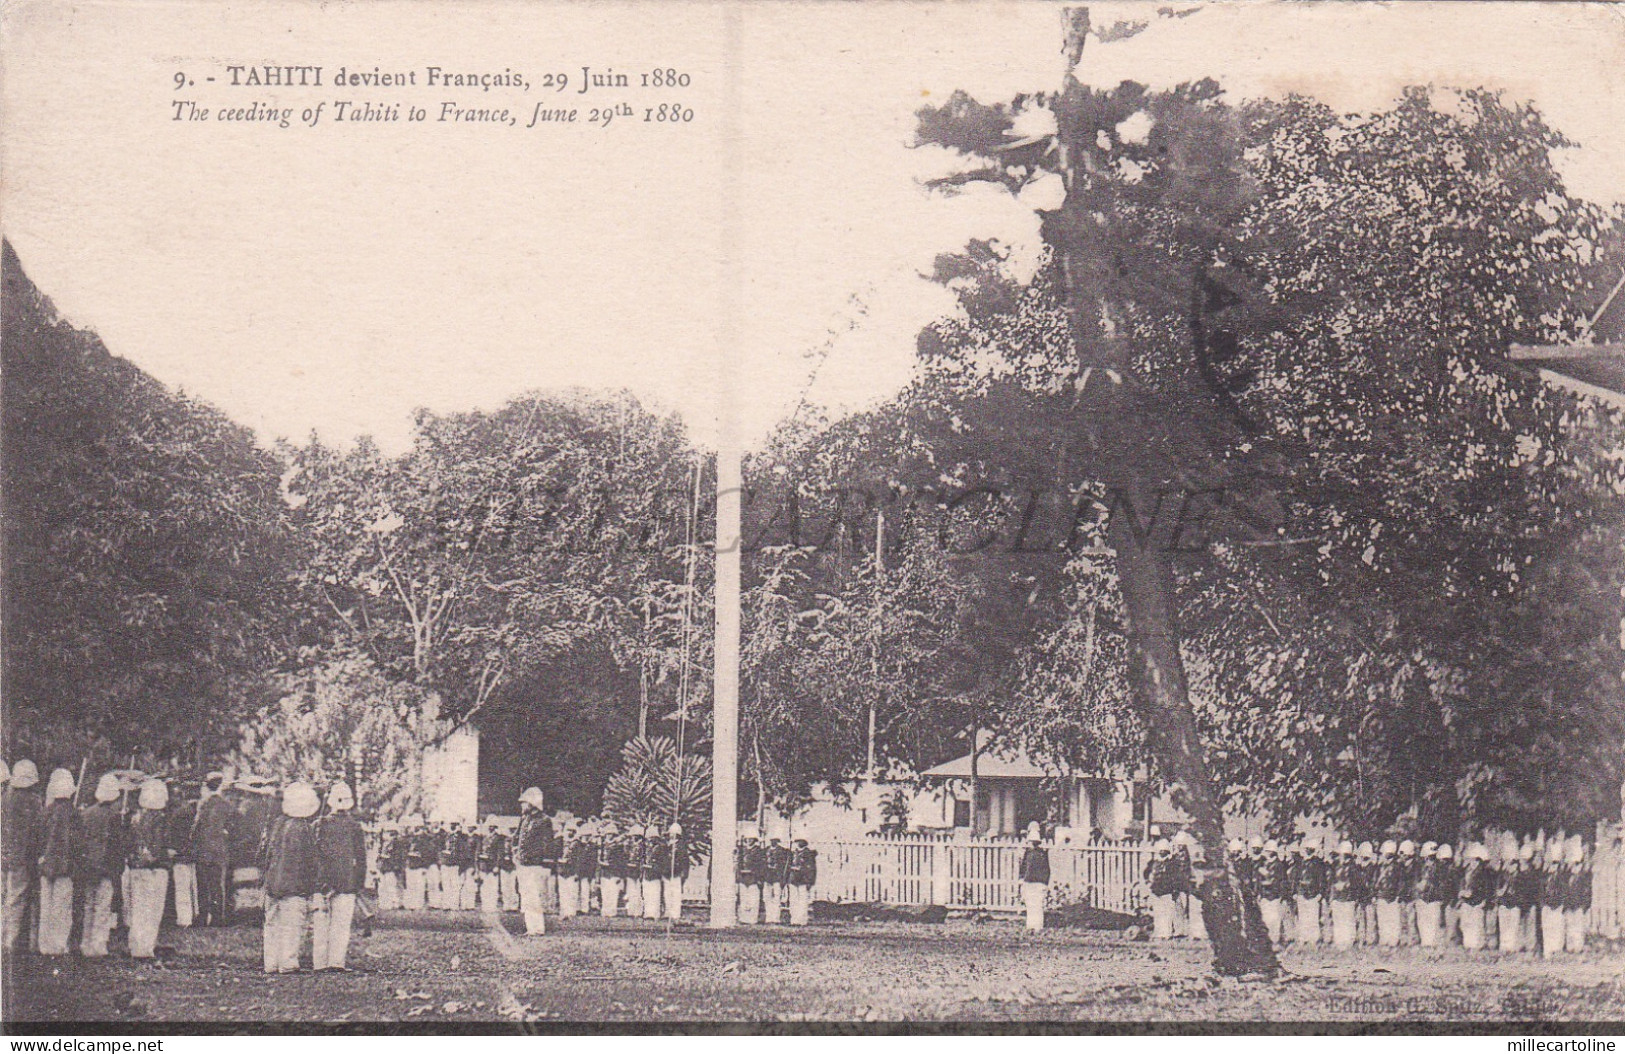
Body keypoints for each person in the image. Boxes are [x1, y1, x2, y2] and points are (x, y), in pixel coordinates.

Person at [263, 782, 319, 973]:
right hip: (294, 884)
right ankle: (288, 961)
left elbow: (268, 852)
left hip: (273, 881)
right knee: (292, 925)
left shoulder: (278, 824)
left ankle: (271, 962)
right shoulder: (304, 829)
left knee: (272, 924)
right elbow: (309, 860)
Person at [312, 782, 365, 972]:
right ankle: (336, 962)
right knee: (341, 926)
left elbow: (313, 855)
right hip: (346, 882)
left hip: (321, 882)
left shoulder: (319, 825)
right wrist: (358, 883)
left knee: (321, 924)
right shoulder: (355, 827)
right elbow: (361, 859)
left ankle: (320, 962)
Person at [77, 773, 124, 958]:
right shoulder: (114, 817)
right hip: (106, 866)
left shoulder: (86, 814)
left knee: (89, 905)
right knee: (102, 906)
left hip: (89, 865)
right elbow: (116, 845)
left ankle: (86, 942)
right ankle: (98, 944)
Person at [125, 778, 173, 961]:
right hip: (155, 868)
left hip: (137, 867)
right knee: (153, 910)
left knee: (138, 908)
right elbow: (161, 845)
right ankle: (146, 947)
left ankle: (136, 945)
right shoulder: (160, 820)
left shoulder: (135, 818)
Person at [36, 768, 79, 956]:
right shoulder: (73, 814)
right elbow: (77, 843)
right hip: (64, 866)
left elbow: (38, 839)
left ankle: (44, 945)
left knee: (46, 906)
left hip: (45, 865)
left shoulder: (46, 812)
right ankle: (59, 945)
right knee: (61, 907)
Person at [3, 760, 42, 953]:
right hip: (23, 858)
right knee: (18, 899)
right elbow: (34, 831)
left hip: (5, 855)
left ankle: (5, 938)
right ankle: (11, 940)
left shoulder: (5, 799)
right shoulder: (32, 801)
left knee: (6, 897)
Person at [191, 773, 234, 927]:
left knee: (203, 885)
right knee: (217, 885)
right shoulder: (226, 805)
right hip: (219, 850)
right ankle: (217, 918)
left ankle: (203, 917)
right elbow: (233, 827)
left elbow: (195, 828)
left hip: (203, 849)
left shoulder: (203, 804)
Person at [512, 788, 551, 935]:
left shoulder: (544, 820)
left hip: (534, 864)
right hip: (523, 863)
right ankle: (530, 927)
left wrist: (533, 856)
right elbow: (516, 838)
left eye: (524, 803)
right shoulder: (524, 819)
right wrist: (515, 851)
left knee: (534, 896)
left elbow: (546, 844)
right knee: (526, 895)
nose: (522, 806)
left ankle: (538, 928)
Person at [168, 784, 198, 929]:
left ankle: (184, 918)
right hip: (188, 854)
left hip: (180, 855)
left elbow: (178, 837)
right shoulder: (192, 812)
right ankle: (189, 916)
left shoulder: (180, 814)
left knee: (182, 887)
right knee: (188, 887)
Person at [1293, 836, 1327, 945]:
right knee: (1302, 917)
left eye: (1310, 848)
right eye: (1307, 848)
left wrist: (1320, 893)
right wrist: (1295, 892)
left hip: (1313, 893)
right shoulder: (1300, 863)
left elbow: (1322, 879)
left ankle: (1314, 939)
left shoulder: (1318, 863)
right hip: (1301, 893)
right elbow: (1296, 878)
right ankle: (1303, 938)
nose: (1308, 850)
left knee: (1313, 917)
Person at [1538, 838, 1568, 959]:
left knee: (1557, 927)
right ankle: (1547, 951)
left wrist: (1561, 904)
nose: (1552, 866)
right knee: (1547, 927)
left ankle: (1557, 949)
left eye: (1555, 864)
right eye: (1550, 863)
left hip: (1557, 904)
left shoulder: (1561, 877)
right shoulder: (1544, 876)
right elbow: (1541, 890)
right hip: (1546, 905)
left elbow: (1564, 891)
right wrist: (1543, 903)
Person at [1458, 842, 1491, 950]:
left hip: (1477, 900)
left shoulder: (1483, 872)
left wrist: (1484, 900)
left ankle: (1477, 945)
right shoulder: (1467, 870)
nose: (1471, 861)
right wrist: (1462, 892)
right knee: (1466, 923)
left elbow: (1486, 887)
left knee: (1477, 924)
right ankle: (1468, 944)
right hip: (1467, 901)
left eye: (1474, 859)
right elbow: (1463, 883)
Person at [1019, 823, 1050, 932]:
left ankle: (1032, 926)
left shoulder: (1029, 855)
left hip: (1031, 882)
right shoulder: (1043, 854)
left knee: (1032, 905)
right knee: (1037, 905)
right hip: (1040, 882)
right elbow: (1047, 870)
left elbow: (1026, 869)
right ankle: (1036, 926)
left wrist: (1024, 882)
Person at [1496, 835, 1524, 953]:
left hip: (1514, 903)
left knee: (1513, 926)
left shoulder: (1519, 876)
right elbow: (1498, 888)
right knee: (1504, 925)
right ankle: (1504, 946)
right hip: (1504, 902)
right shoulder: (1502, 874)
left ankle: (1511, 947)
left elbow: (1520, 890)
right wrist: (1500, 891)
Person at [1329, 840, 1358, 949]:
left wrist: (1345, 886)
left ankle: (1348, 942)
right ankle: (1339, 941)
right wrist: (1332, 897)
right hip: (1338, 897)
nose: (1343, 857)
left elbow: (1355, 883)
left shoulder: (1353, 868)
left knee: (1348, 920)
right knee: (1338, 920)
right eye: (1342, 855)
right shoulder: (1336, 867)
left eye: (1346, 856)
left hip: (1348, 897)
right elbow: (1332, 881)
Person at [1257, 840, 1287, 944]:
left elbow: (1280, 881)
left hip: (1274, 896)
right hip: (1265, 895)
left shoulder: (1278, 865)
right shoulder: (1264, 864)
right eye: (1267, 851)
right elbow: (1259, 881)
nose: (1268, 853)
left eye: (1270, 851)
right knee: (1265, 918)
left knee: (1275, 919)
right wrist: (1260, 893)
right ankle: (1267, 940)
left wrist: (1281, 895)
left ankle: (1275, 940)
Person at [1413, 841, 1443, 948]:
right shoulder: (1420, 868)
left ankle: (1432, 944)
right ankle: (1425, 943)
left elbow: (1441, 883)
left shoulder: (1439, 867)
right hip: (1422, 898)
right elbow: (1416, 881)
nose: (1430, 859)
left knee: (1433, 922)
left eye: (1432, 857)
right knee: (1423, 921)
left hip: (1434, 898)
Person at [1146, 840, 1177, 940]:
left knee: (1168, 912)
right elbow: (1146, 873)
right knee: (1158, 912)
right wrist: (1149, 883)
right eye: (1160, 851)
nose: (1162, 852)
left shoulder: (1172, 863)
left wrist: (1174, 889)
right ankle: (1159, 932)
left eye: (1164, 851)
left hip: (1167, 890)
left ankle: (1167, 932)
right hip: (1156, 890)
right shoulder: (1153, 863)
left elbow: (1175, 878)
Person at [1374, 840, 1402, 947]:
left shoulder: (1397, 866)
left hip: (1392, 896)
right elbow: (1376, 880)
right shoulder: (1380, 866)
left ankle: (1393, 940)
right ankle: (1384, 939)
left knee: (1393, 919)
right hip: (1381, 895)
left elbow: (1400, 881)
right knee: (1383, 919)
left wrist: (1398, 894)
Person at [1564, 836, 1590, 953]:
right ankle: (1570, 947)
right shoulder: (1566, 875)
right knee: (1570, 925)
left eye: (1575, 864)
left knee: (1578, 926)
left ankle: (1578, 947)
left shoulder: (1583, 876)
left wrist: (1584, 905)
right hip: (1569, 904)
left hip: (1578, 904)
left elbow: (1586, 890)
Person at [403, 816, 433, 911]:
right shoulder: (410, 838)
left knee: (419, 885)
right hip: (411, 864)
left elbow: (428, 853)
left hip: (420, 865)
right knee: (410, 885)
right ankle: (410, 904)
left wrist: (425, 865)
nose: (416, 827)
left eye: (418, 825)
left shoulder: (426, 838)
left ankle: (418, 904)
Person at [599, 821, 625, 918]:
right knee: (605, 892)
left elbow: (620, 861)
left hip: (614, 872)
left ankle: (612, 911)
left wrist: (619, 874)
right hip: (604, 872)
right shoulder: (603, 846)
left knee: (613, 892)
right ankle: (605, 910)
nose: (609, 836)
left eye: (611, 834)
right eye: (608, 834)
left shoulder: (618, 846)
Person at [1436, 843, 1461, 945]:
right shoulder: (1442, 870)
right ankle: (1446, 941)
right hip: (1444, 899)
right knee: (1443, 921)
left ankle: (1452, 941)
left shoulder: (1452, 870)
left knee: (1451, 923)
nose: (1442, 861)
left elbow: (1455, 886)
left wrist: (1452, 900)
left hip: (1450, 900)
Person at [376, 822, 405, 911]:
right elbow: (379, 855)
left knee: (392, 885)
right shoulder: (383, 844)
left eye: (388, 833)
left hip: (391, 867)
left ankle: (395, 903)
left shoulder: (396, 844)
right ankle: (384, 903)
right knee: (382, 886)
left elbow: (398, 856)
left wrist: (394, 864)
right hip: (383, 866)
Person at [763, 834, 790, 925]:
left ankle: (775, 917)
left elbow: (784, 865)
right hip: (767, 877)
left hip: (777, 877)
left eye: (775, 840)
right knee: (767, 897)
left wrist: (783, 878)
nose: (773, 842)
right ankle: (769, 917)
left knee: (776, 897)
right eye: (772, 840)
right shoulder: (765, 850)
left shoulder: (782, 851)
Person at [556, 819, 581, 918]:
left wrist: (577, 872)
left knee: (572, 891)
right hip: (562, 869)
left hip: (572, 870)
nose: (570, 832)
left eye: (572, 831)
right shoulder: (560, 842)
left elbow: (579, 859)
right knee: (563, 892)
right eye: (568, 830)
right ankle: (564, 910)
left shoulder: (577, 844)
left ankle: (571, 911)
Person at [641, 824, 666, 920]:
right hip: (647, 873)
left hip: (655, 874)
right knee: (647, 894)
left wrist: (653, 867)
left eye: (652, 838)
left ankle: (655, 913)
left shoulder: (660, 848)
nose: (650, 840)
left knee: (654, 894)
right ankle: (648, 913)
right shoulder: (648, 848)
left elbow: (662, 862)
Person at [1355, 842, 1378, 945]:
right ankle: (1361, 937)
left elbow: (1374, 882)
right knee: (1361, 918)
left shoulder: (1372, 867)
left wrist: (1373, 895)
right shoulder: (1358, 867)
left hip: (1369, 895)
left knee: (1370, 918)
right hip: (1360, 895)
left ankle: (1370, 939)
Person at [666, 822, 690, 921]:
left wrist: (684, 872)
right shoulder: (667, 845)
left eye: (674, 833)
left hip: (676, 873)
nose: (671, 835)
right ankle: (668, 911)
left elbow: (684, 861)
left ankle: (675, 913)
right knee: (667, 893)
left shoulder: (681, 846)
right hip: (667, 873)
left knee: (675, 893)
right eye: (671, 833)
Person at [736, 836, 761, 925]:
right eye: (747, 839)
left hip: (753, 878)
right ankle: (744, 918)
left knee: (753, 898)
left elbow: (760, 865)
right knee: (744, 897)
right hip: (743, 877)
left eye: (751, 839)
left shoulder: (758, 851)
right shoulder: (742, 850)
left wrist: (756, 874)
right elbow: (739, 863)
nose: (749, 841)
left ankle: (752, 918)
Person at [624, 825, 645, 917]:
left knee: (638, 892)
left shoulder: (642, 846)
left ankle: (638, 911)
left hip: (638, 870)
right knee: (631, 891)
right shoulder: (631, 846)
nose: (632, 837)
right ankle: (631, 910)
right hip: (631, 870)